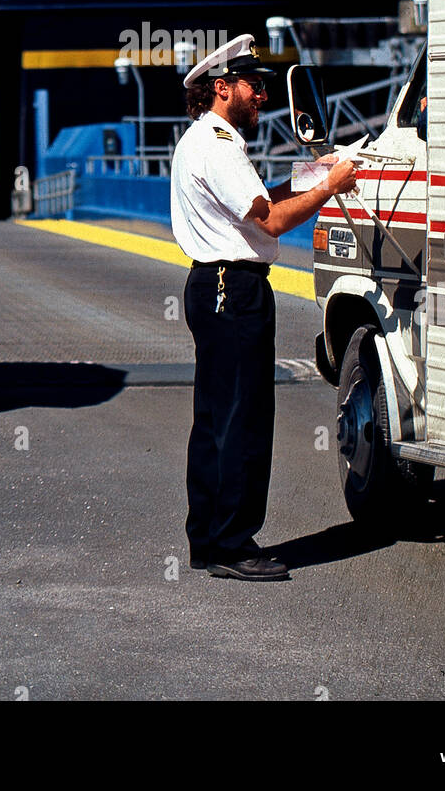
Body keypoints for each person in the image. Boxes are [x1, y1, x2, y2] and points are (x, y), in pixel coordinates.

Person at [170, 33, 359, 582]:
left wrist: (315, 174)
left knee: (213, 419)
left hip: (214, 285)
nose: (264, 97)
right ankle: (233, 543)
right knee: (243, 419)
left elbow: (260, 197)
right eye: (255, 85)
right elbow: (272, 221)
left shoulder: (205, 140)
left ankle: (208, 539)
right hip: (235, 288)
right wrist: (331, 189)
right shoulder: (220, 145)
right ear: (222, 86)